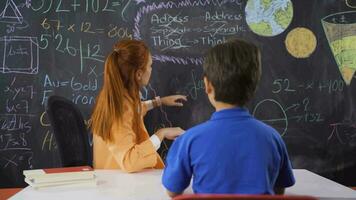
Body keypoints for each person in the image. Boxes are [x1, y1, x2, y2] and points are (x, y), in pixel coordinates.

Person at [162, 39, 295, 197]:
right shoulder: (273, 138)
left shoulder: (189, 140)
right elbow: (279, 191)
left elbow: (172, 191)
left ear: (207, 85)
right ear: (253, 86)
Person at [91, 39, 186, 172]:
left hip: (111, 176)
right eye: (150, 66)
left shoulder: (115, 97)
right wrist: (161, 134)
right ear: (139, 74)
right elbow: (130, 161)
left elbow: (135, 110)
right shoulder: (121, 108)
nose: (151, 69)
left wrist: (159, 102)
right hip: (118, 183)